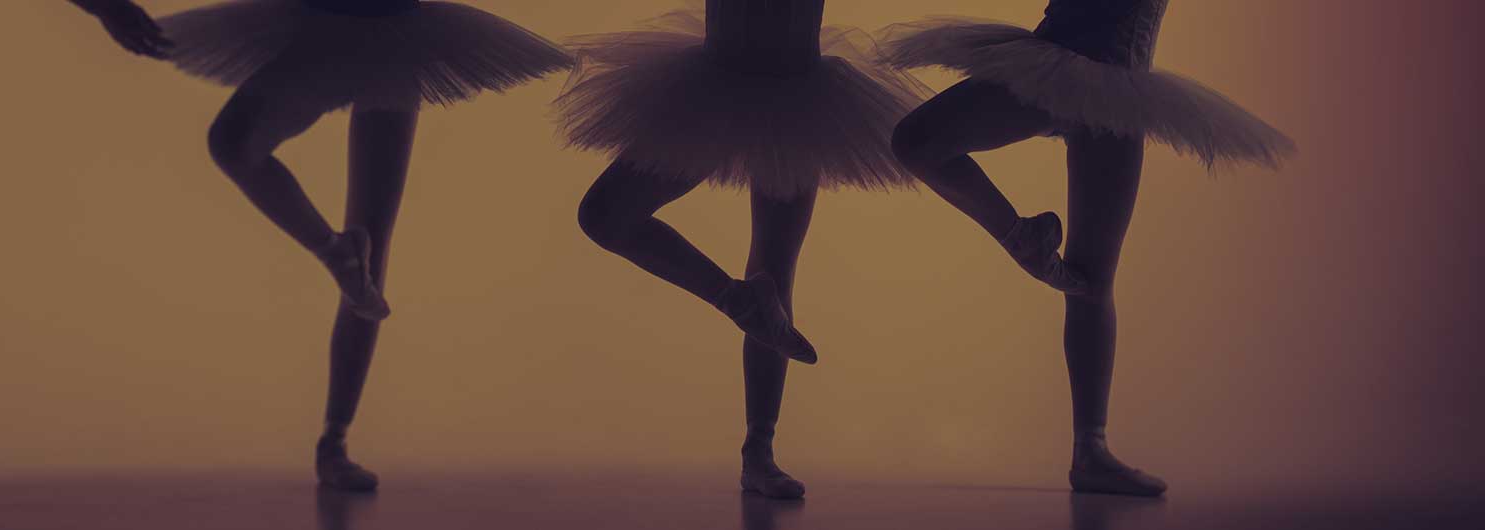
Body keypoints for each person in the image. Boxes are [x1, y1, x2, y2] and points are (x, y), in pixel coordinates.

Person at [880, 0, 1296, 496]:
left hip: (1114, 88)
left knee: (1091, 280)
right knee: (917, 141)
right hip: (1058, 68)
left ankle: (1090, 451)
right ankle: (1020, 238)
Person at [153, 0, 573, 490]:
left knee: (370, 250)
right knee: (233, 144)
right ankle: (335, 254)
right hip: (333, 24)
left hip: (393, 30)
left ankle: (334, 442)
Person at [557, 0, 924, 499]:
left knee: (774, 267)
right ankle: (737, 301)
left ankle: (760, 452)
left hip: (794, 93)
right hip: (721, 84)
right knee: (604, 215)